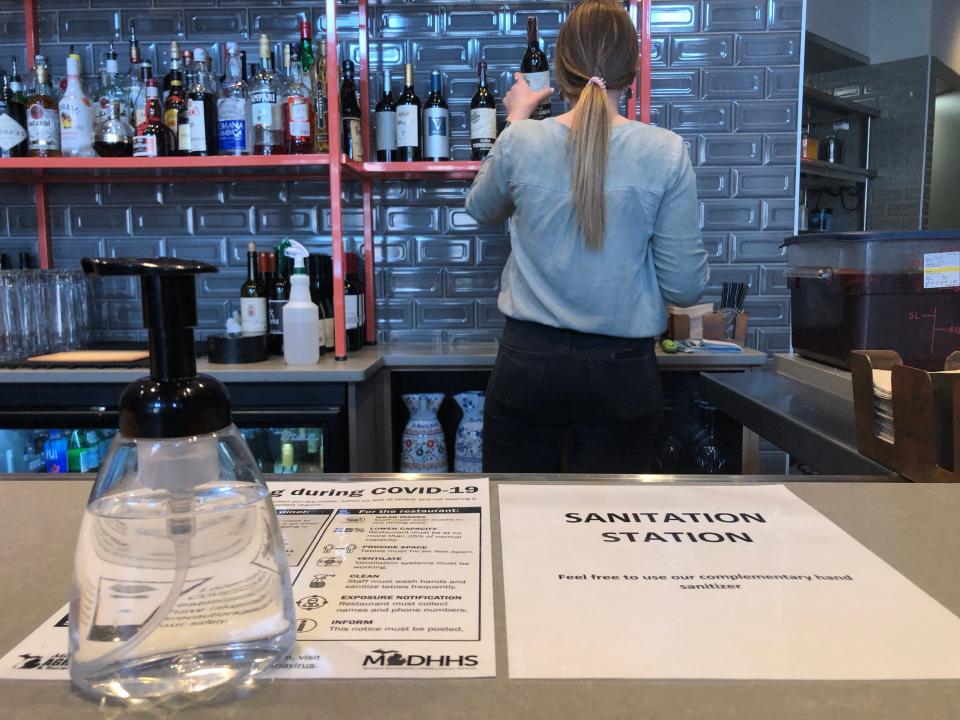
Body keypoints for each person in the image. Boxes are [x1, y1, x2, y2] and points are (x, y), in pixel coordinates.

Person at [465, 0, 709, 474]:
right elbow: (685, 287)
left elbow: (480, 207)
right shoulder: (666, 152)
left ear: (560, 68)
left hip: (528, 366)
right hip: (623, 374)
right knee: (611, 535)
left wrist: (516, 119)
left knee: (516, 527)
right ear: (632, 71)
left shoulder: (521, 141)